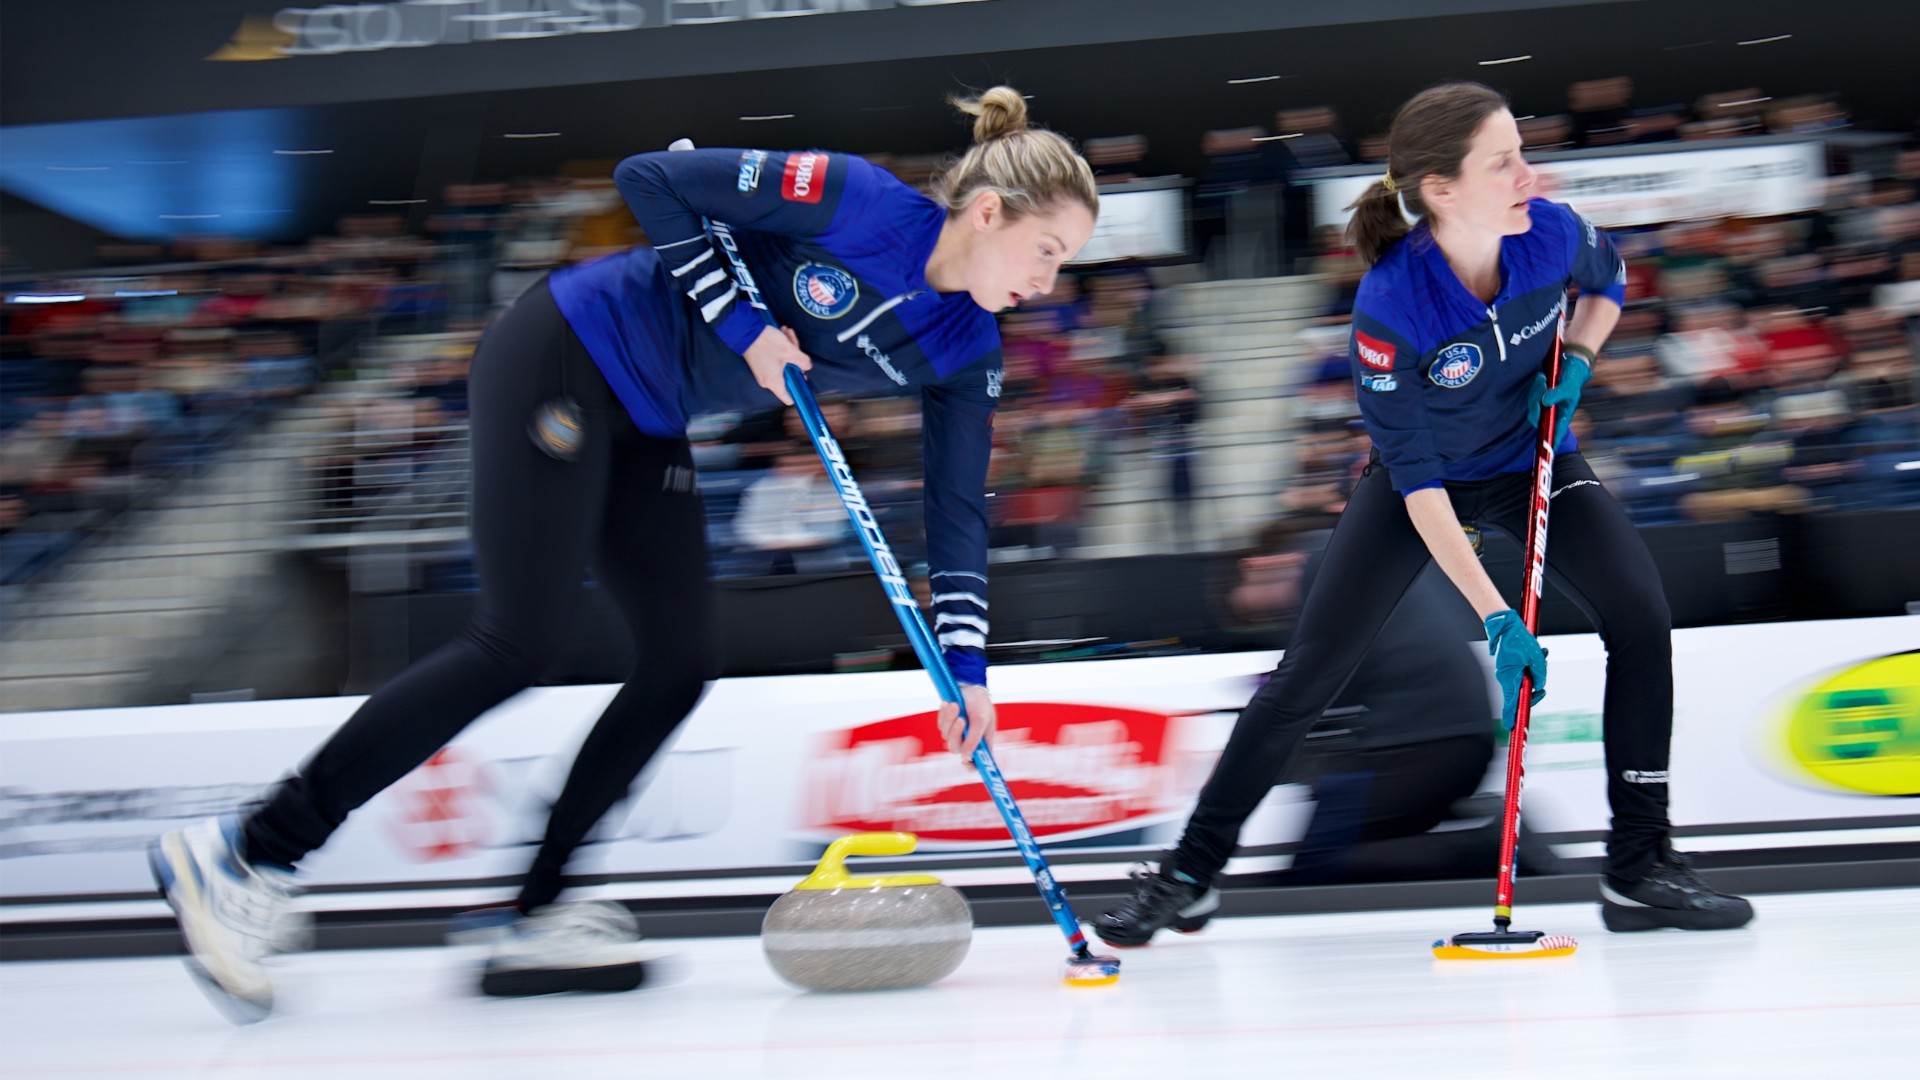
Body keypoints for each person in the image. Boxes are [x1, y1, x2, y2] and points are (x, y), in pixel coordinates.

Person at [149, 86, 1098, 1018]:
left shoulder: (966, 348)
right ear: (987, 212)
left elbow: (955, 510)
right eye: (1047, 251)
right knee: (520, 640)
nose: (1048, 283)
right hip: (566, 348)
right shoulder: (857, 199)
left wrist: (966, 668)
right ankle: (248, 851)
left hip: (650, 415)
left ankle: (534, 908)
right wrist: (748, 331)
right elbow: (650, 177)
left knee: (680, 662)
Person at [1096, 82, 1752, 947]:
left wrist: (1582, 360)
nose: (1529, 174)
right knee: (1307, 677)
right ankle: (1189, 874)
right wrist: (1497, 617)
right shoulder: (1392, 303)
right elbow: (1417, 485)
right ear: (1442, 190)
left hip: (1535, 460)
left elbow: (1610, 281)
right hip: (1420, 488)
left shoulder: (1552, 232)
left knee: (1641, 617)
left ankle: (1641, 865)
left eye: (1522, 153)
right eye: (1503, 163)